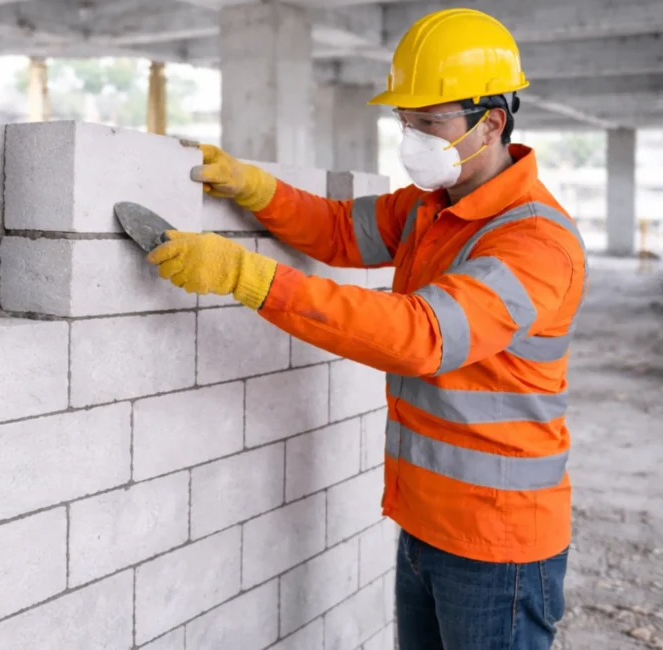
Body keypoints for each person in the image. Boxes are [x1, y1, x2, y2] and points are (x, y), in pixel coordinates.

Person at [145, 8, 586, 650]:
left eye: (430, 123)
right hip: (426, 524)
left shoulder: (535, 242)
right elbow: (339, 230)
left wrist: (249, 276)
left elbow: (421, 337)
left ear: (491, 122)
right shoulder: (433, 206)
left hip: (499, 545)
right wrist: (256, 189)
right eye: (406, 123)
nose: (413, 140)